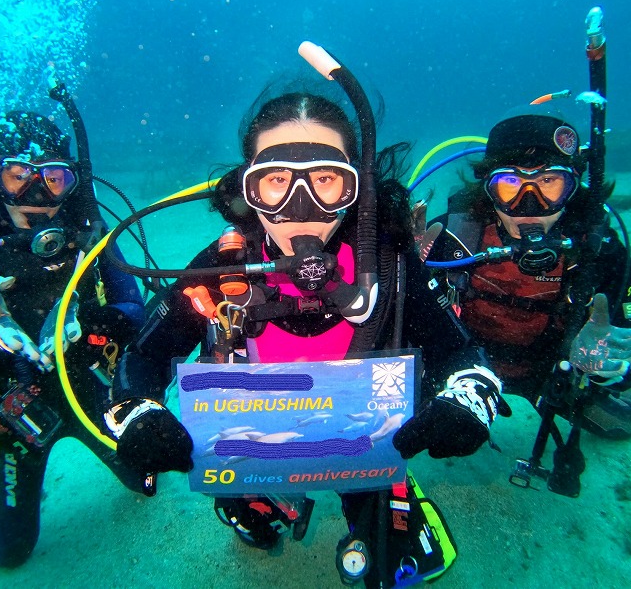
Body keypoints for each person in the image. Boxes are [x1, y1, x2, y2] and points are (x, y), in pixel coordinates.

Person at [103, 87, 511, 587]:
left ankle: (379, 501)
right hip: (250, 451)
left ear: (356, 187)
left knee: (400, 560)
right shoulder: (222, 268)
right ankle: (265, 502)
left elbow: (460, 352)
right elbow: (143, 356)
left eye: (326, 179)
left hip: (366, 445)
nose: (302, 207)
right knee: (253, 521)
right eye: (276, 180)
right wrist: (139, 415)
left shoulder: (390, 265)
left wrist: (469, 401)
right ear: (247, 189)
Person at [0, 108, 146, 567]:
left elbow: (133, 307)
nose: (38, 193)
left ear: (71, 183)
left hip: (80, 385)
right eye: (17, 176)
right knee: (9, 552)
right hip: (12, 406)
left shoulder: (88, 231)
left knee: (147, 477)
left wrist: (97, 324)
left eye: (54, 178)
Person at [425, 110, 631, 448]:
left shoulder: (600, 253)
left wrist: (603, 368)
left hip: (551, 371)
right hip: (464, 364)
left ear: (573, 188)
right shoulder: (450, 237)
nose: (529, 205)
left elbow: (628, 356)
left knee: (618, 424)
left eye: (549, 183)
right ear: (488, 189)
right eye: (510, 185)